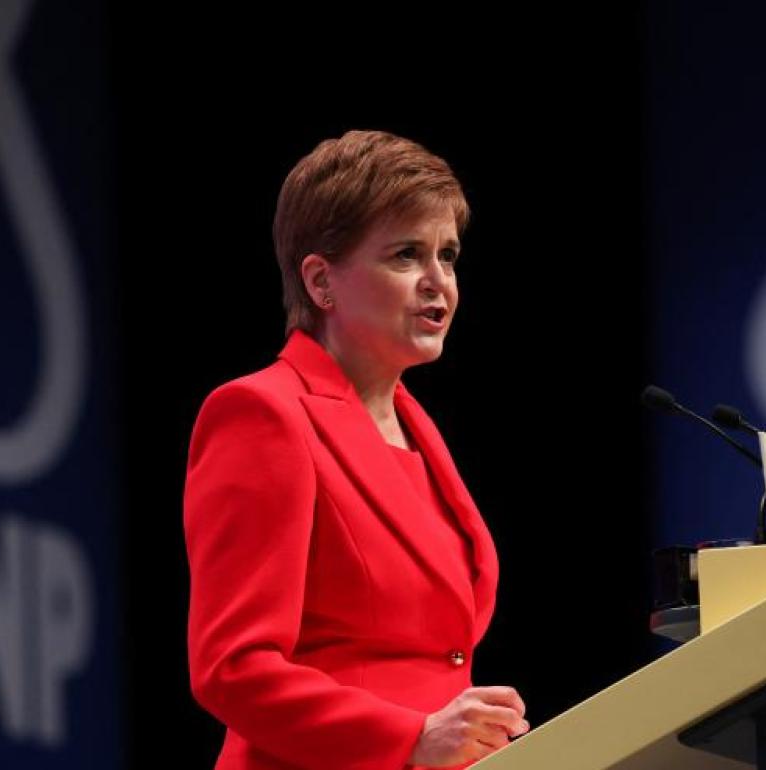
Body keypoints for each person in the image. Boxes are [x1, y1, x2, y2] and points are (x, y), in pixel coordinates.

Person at [184, 130, 529, 770]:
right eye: (406, 255)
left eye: (448, 255)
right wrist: (409, 736)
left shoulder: (418, 428)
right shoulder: (262, 414)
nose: (438, 282)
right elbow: (232, 667)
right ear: (321, 281)